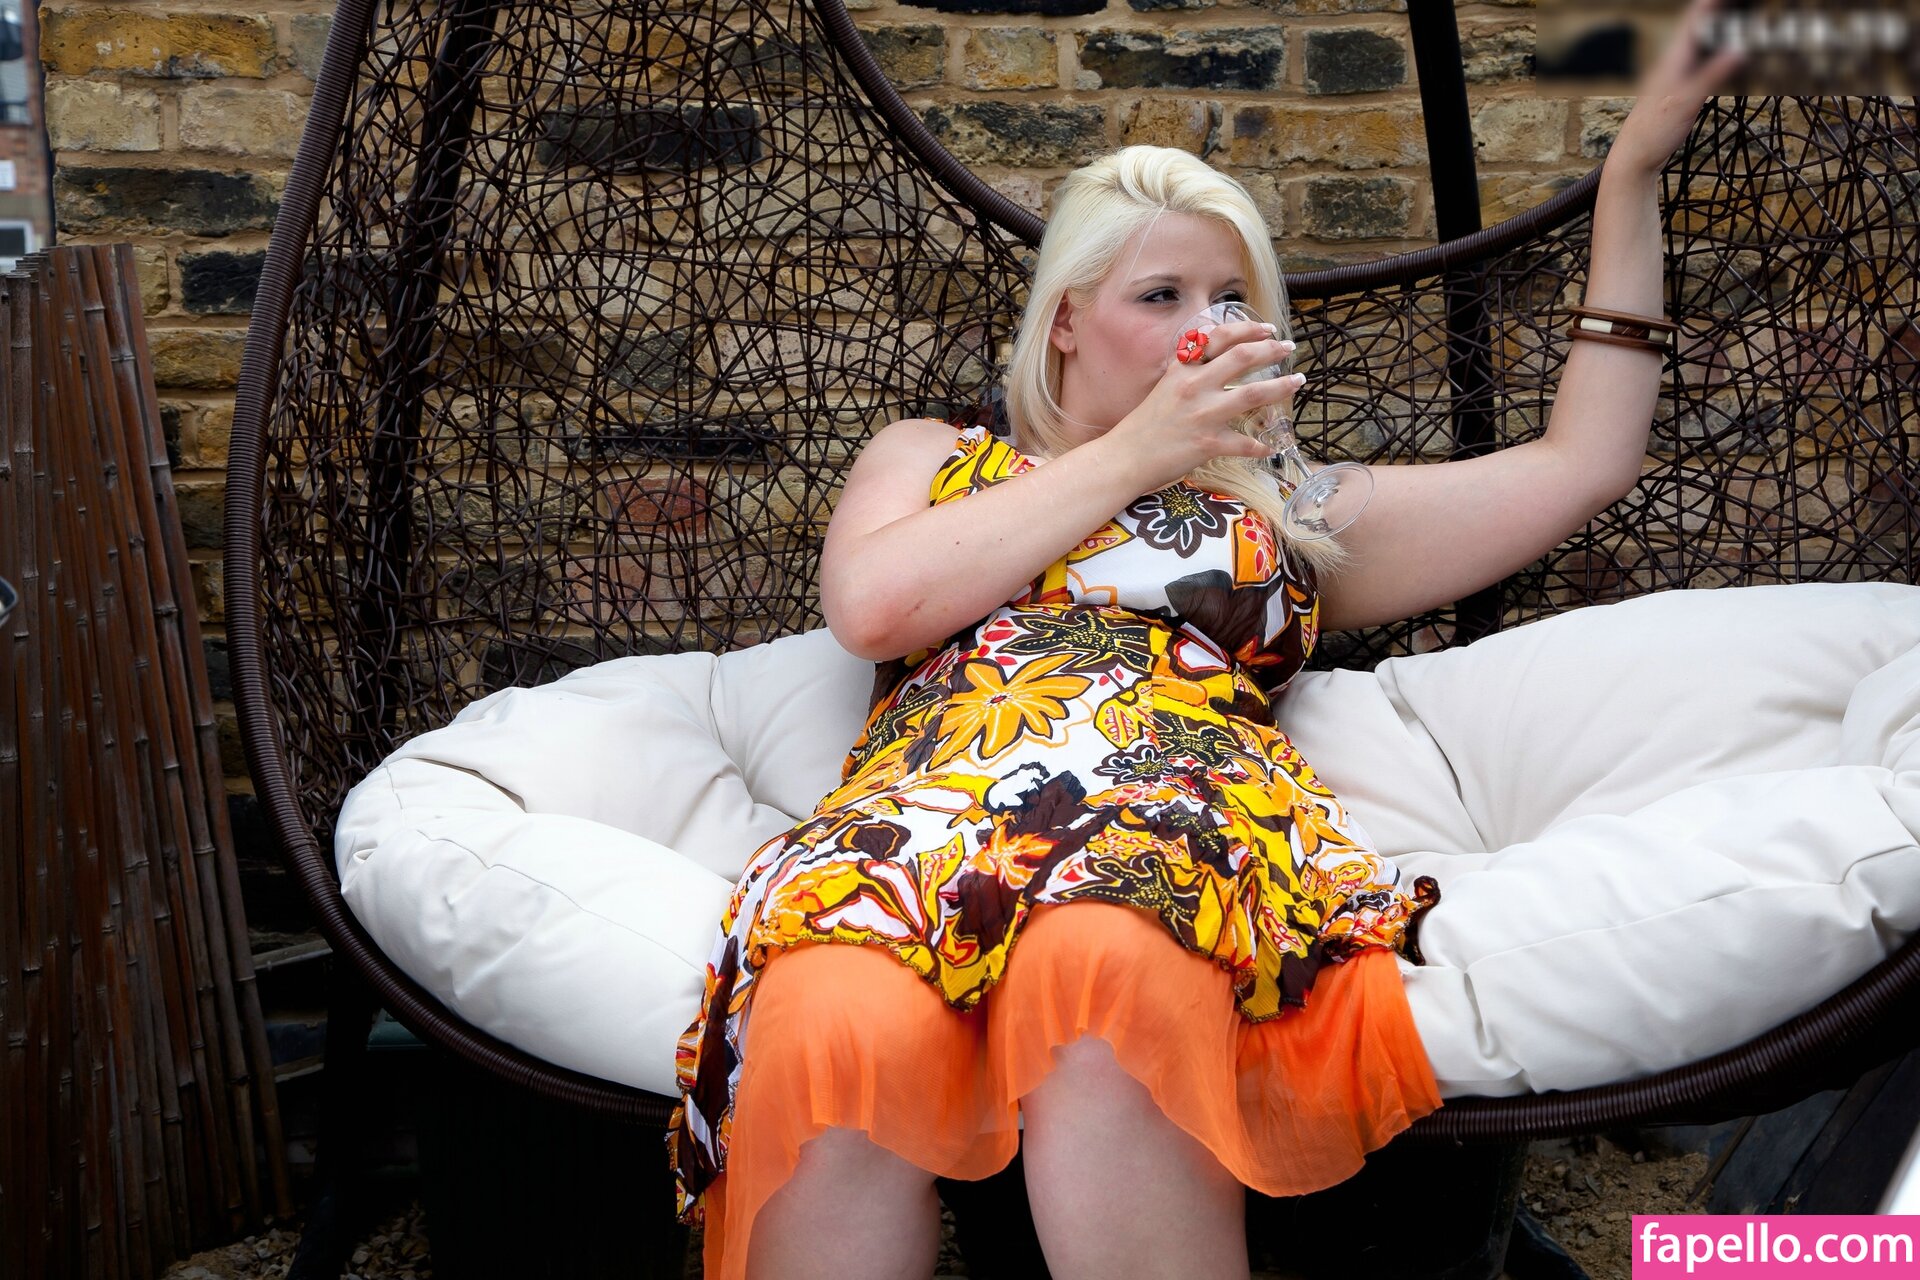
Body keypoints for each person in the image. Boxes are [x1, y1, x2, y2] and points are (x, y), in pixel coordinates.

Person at [668, 3, 1742, 1276]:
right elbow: (873, 607)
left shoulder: (1284, 510)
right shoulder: (938, 459)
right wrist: (1141, 447)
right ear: (1067, 319)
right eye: (1161, 294)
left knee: (1101, 957)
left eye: (1233, 296)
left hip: (1161, 823)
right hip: (917, 832)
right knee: (827, 1008)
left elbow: (1583, 462)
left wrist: (1633, 169)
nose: (1207, 323)